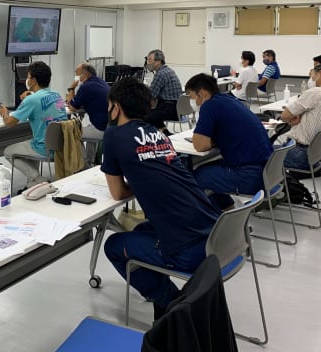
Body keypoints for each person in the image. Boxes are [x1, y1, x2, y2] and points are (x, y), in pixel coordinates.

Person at [101, 77, 219, 320]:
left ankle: (170, 302)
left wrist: (136, 182)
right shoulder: (156, 133)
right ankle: (162, 295)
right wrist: (143, 180)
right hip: (215, 235)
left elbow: (118, 193)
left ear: (117, 107)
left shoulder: (113, 135)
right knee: (141, 229)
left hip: (187, 250)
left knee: (114, 246)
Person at [185, 73, 273, 211]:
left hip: (250, 176)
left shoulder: (209, 106)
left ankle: (215, 219)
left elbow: (200, 145)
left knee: (196, 177)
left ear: (200, 94)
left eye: (191, 96)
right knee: (211, 168)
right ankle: (228, 208)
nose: (192, 101)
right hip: (267, 171)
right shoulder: (230, 100)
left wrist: (209, 140)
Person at [0, 61, 66, 188]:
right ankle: (32, 183)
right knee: (29, 142)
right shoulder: (57, 95)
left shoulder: (31, 99)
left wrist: (4, 113)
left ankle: (37, 178)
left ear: (33, 80)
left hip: (43, 149)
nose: (27, 80)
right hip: (62, 146)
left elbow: (9, 123)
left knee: (8, 151)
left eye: (28, 77)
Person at [280, 63, 321, 170]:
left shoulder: (316, 92)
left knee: (256, 153)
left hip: (298, 154)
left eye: (312, 75)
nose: (311, 79)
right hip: (314, 156)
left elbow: (284, 116)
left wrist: (292, 117)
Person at [66, 63, 110, 164]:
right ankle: (91, 161)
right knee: (90, 128)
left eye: (77, 73)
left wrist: (71, 88)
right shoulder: (101, 82)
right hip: (110, 126)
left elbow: (72, 107)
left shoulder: (86, 87)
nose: (76, 76)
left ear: (85, 74)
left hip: (101, 128)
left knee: (74, 134)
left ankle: (84, 165)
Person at [144, 49, 183, 130]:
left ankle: (152, 135)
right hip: (177, 110)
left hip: (168, 110)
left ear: (158, 61)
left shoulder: (160, 74)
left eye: (150, 60)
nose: (148, 63)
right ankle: (162, 131)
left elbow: (151, 95)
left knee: (143, 115)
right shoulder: (169, 71)